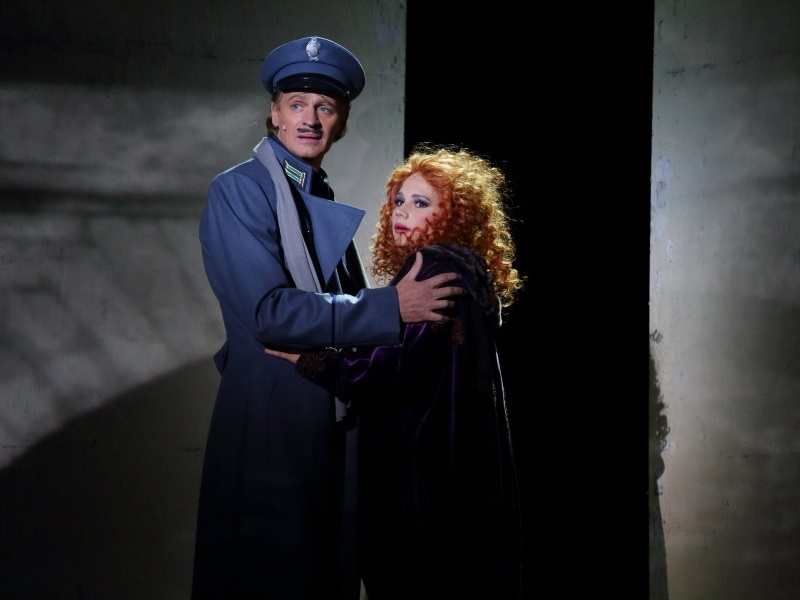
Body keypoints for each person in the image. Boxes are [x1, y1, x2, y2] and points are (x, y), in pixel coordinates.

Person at [192, 37, 463, 600]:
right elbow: (268, 312)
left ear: (340, 123)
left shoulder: (314, 192)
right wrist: (392, 306)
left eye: (325, 108)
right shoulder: (240, 189)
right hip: (274, 427)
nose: (310, 120)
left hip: (331, 417)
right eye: (296, 104)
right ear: (274, 113)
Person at [266, 146, 525, 600]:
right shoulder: (470, 269)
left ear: (457, 215)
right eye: (399, 201)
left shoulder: (434, 267)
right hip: (459, 472)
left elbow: (388, 372)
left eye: (421, 203)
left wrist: (310, 359)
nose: (401, 213)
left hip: (421, 476)